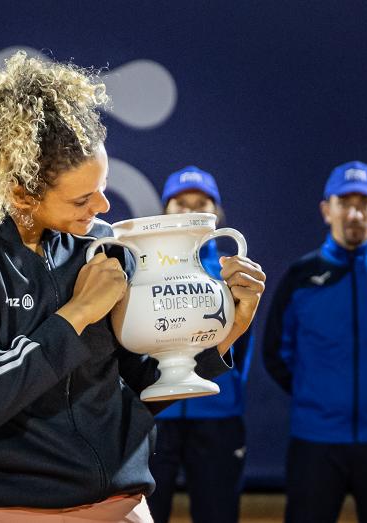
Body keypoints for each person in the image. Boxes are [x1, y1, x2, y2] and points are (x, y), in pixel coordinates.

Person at [0, 51, 265, 522]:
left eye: (103, 186)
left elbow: (139, 387)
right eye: (83, 197)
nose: (102, 207)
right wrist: (76, 314)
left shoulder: (102, 245)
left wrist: (224, 333)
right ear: (21, 192)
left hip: (120, 506)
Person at [263, 161, 367, 523]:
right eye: (345, 202)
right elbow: (276, 354)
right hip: (315, 441)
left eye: (365, 202)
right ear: (327, 209)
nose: (355, 213)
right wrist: (314, 393)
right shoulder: (301, 277)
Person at [148, 167, 253, 523]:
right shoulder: (142, 271)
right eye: (181, 203)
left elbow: (246, 344)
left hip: (217, 416)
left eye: (201, 203)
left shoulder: (232, 273)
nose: (190, 210)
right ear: (165, 211)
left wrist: (229, 391)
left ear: (216, 214)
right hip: (154, 414)